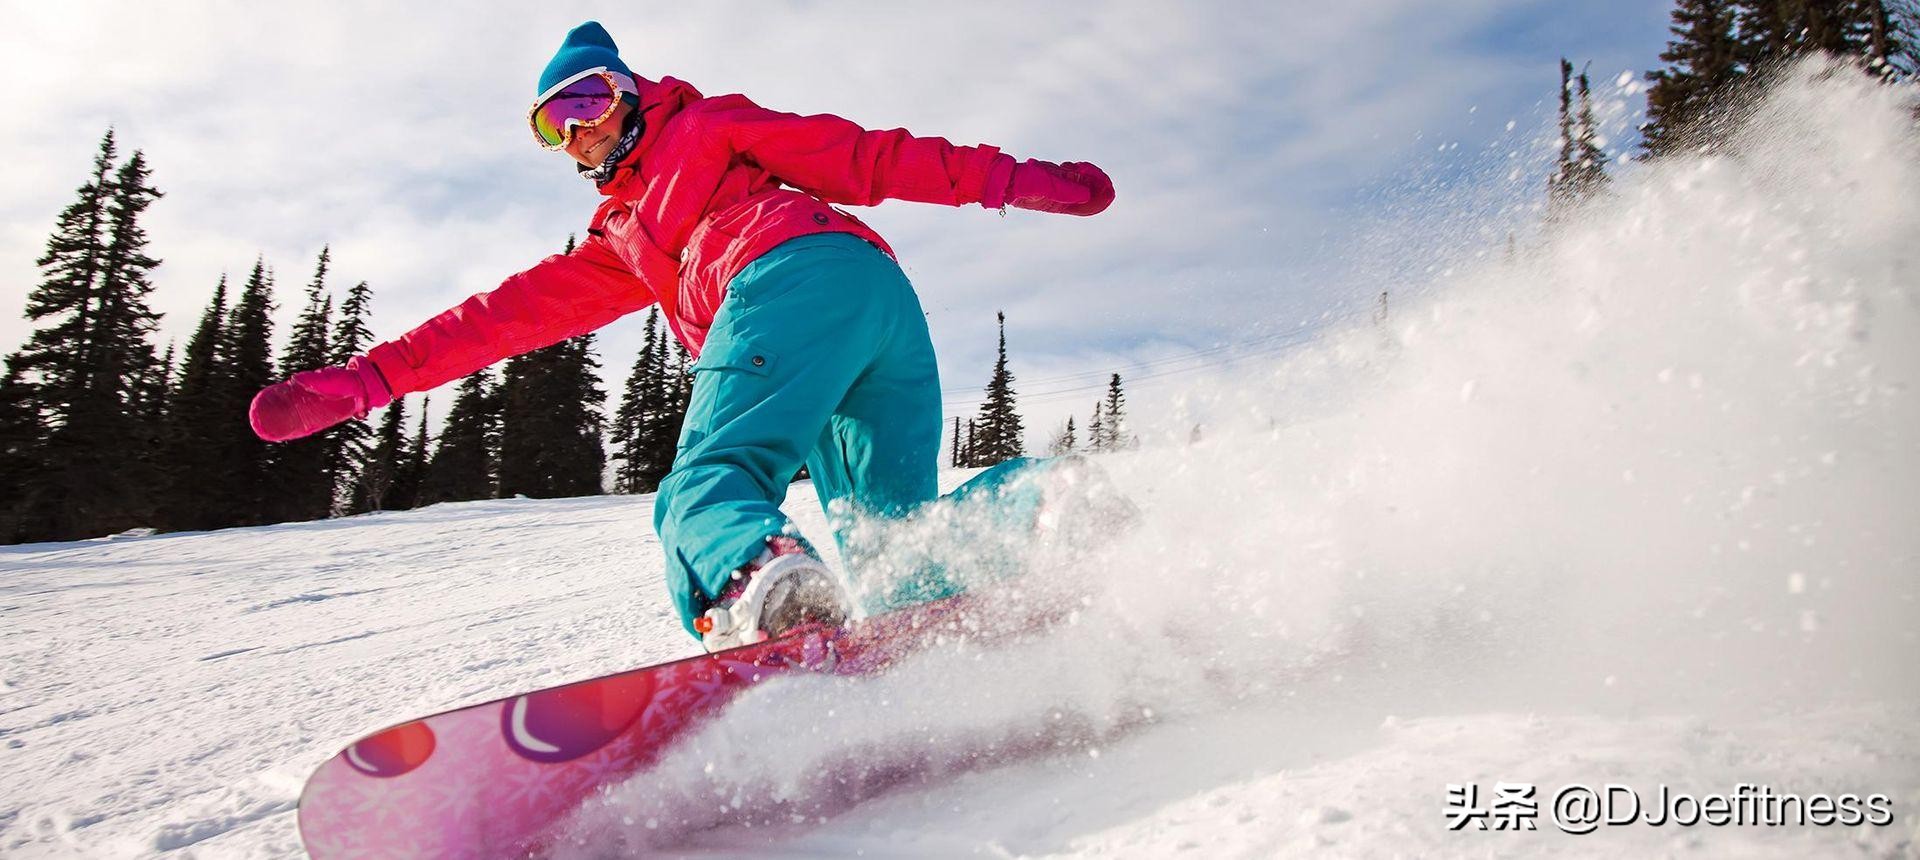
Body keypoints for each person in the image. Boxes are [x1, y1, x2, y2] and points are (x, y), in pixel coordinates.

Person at [249, 21, 1114, 651]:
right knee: (896, 550)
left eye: (587, 100)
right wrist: (371, 380)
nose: (579, 129)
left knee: (706, 486)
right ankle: (1043, 509)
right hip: (879, 306)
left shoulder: (707, 128)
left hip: (788, 277)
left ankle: (756, 584)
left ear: (629, 92)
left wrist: (1011, 179)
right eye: (555, 124)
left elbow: (868, 157)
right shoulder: (619, 240)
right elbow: (495, 320)